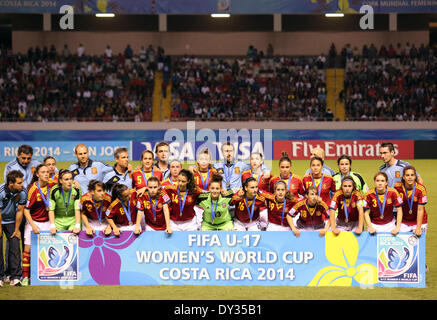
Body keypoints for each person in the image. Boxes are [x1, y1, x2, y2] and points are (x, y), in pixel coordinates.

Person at [22, 164, 57, 286]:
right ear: (37, 174)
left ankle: (47, 275)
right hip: (34, 222)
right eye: (43, 172)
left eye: (47, 172)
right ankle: (25, 277)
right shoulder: (32, 189)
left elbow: (65, 183)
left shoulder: (52, 184)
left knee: (49, 250)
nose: (46, 174)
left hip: (48, 222)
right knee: (27, 249)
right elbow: (26, 210)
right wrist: (33, 225)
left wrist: (75, 184)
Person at [0, 171, 26, 286]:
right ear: (11, 183)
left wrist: (17, 229)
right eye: (19, 183)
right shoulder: (1, 191)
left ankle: (15, 277)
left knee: (15, 246)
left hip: (12, 221)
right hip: (0, 220)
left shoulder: (23, 192)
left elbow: (20, 211)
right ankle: (1, 277)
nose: (22, 185)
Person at [394, 166, 428, 236]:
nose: (410, 177)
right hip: (403, 221)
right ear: (403, 177)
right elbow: (398, 208)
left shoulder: (421, 189)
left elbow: (420, 210)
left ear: (415, 177)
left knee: (418, 245)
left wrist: (418, 228)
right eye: (407, 175)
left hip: (420, 222)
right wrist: (398, 225)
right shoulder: (397, 187)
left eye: (412, 175)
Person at [48, 169, 81, 235]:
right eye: (66, 179)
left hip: (72, 220)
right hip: (58, 221)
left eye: (71, 179)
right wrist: (52, 226)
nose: (69, 182)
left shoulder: (76, 189)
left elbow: (77, 208)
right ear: (60, 181)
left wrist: (77, 225)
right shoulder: (54, 190)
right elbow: (51, 209)